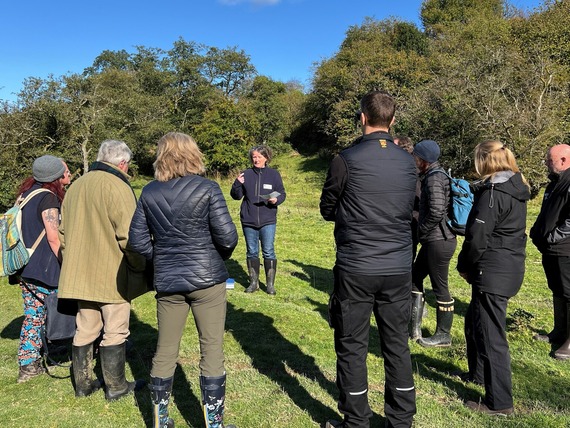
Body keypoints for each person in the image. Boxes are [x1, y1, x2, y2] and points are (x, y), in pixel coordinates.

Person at [320, 90, 417, 428]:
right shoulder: (408, 161)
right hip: (397, 265)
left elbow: (327, 208)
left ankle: (357, 421)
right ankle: (401, 419)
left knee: (352, 345)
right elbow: (410, 208)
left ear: (362, 118)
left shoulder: (345, 159)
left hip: (357, 265)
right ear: (392, 120)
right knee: (396, 345)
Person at [129, 132, 238, 428]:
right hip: (208, 280)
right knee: (212, 347)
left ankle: (159, 420)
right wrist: (214, 257)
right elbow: (228, 237)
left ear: (161, 156)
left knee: (165, 349)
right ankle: (214, 423)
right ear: (193, 154)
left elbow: (137, 241)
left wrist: (163, 258)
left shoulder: (149, 192)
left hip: (168, 281)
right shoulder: (208, 188)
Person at [58, 140, 147, 400]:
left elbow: (62, 233)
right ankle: (116, 386)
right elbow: (130, 236)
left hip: (79, 271)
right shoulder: (117, 186)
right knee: (116, 328)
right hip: (112, 271)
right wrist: (139, 265)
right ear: (122, 163)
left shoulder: (76, 185)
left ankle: (83, 385)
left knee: (85, 327)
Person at [457, 140, 530, 415]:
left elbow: (477, 237)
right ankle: (478, 374)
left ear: (484, 161)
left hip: (493, 270)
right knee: (475, 321)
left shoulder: (494, 193)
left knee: (491, 336)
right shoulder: (515, 188)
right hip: (506, 266)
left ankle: (500, 403)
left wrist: (465, 265)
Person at [15, 155, 70, 383]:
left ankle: (29, 363)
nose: (68, 173)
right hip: (44, 268)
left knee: (33, 314)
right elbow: (53, 237)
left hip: (26, 266)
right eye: (64, 170)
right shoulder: (48, 199)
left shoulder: (25, 195)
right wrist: (66, 262)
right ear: (55, 176)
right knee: (47, 312)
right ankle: (34, 360)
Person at [410, 140, 457, 346]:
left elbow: (437, 210)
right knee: (415, 276)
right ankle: (413, 327)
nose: (414, 160)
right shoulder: (433, 175)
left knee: (440, 286)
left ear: (423, 159)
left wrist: (422, 231)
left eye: (416, 157)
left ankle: (443, 335)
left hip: (439, 240)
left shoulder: (434, 179)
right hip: (435, 239)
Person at [530, 143, 570, 360]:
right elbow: (546, 212)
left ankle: (569, 342)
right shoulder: (554, 183)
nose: (545, 163)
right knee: (556, 289)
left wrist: (554, 236)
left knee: (569, 291)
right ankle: (559, 331)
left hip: (565, 249)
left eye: (549, 160)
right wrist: (537, 232)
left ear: (563, 161)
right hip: (550, 249)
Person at [230, 145, 286, 295]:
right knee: (251, 252)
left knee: (268, 251)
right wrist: (237, 183)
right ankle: (253, 283)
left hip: (268, 219)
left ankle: (270, 285)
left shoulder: (274, 174)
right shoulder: (246, 174)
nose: (256, 159)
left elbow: (282, 193)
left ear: (266, 158)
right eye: (254, 157)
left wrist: (276, 199)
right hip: (248, 219)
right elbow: (236, 196)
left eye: (259, 157)